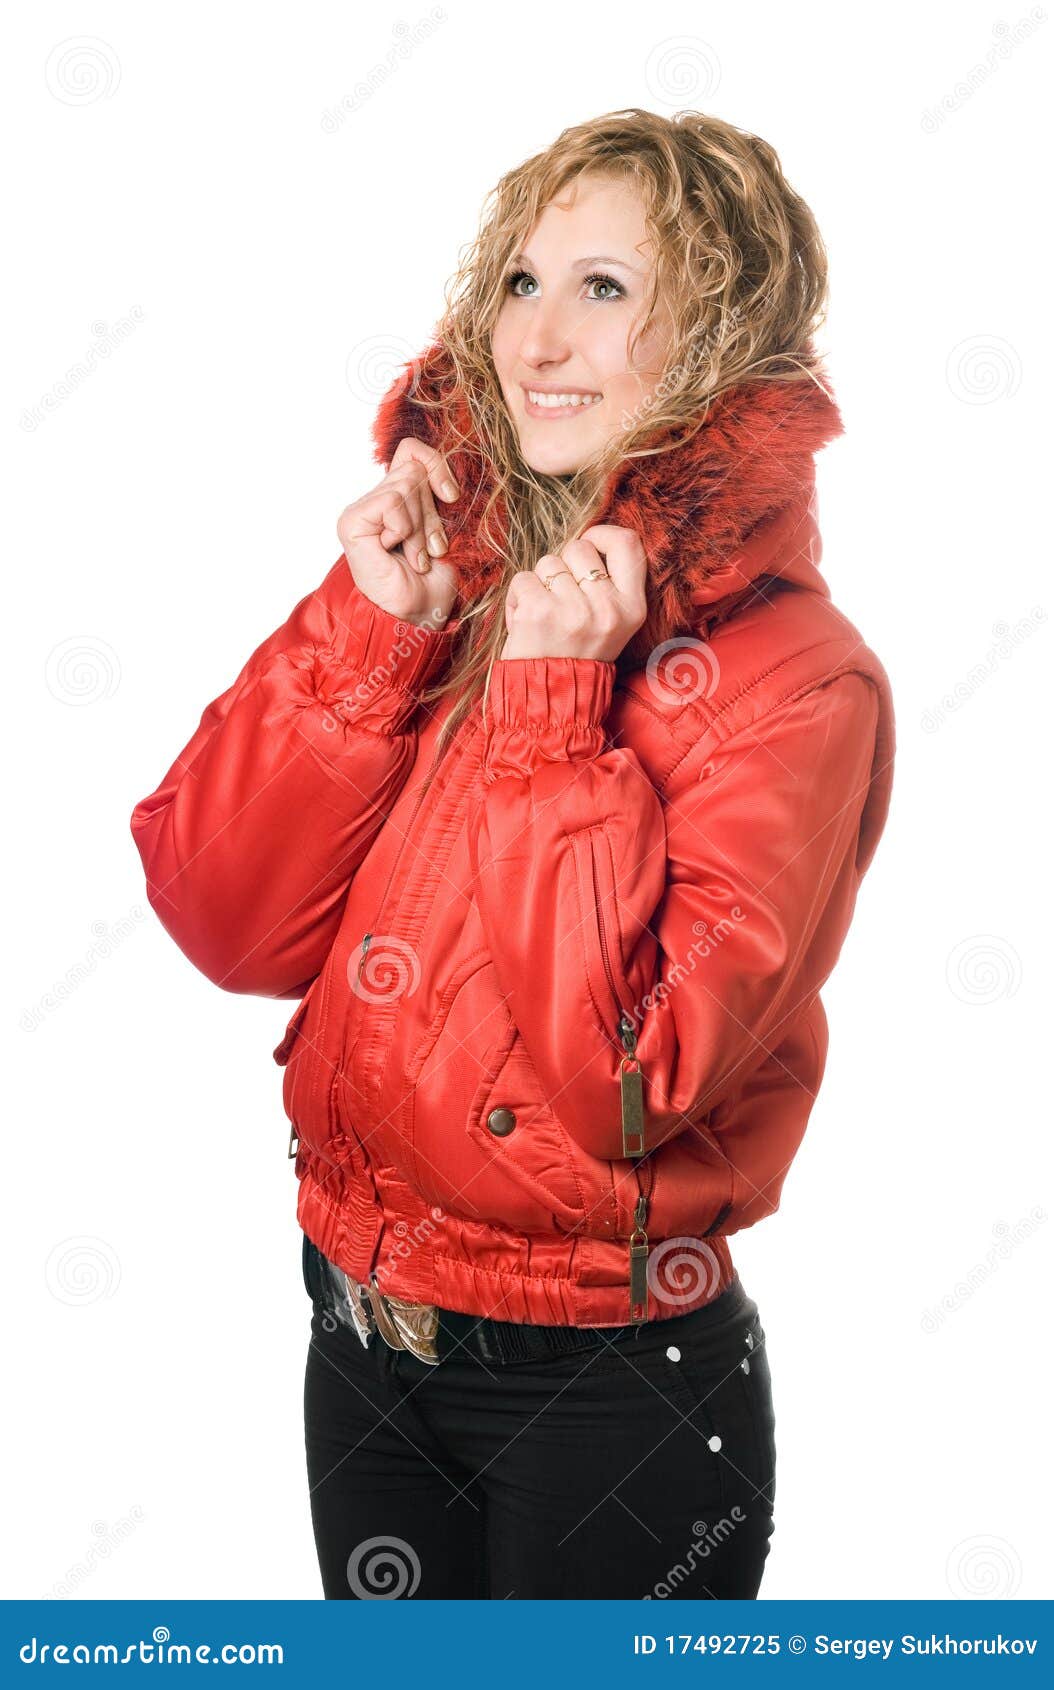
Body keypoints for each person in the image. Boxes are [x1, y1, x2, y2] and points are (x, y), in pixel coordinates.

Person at [129, 107, 895, 1600]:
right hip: (358, 1335)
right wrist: (377, 632)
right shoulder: (453, 574)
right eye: (521, 282)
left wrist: (554, 715)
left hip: (602, 1393)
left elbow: (632, 1077)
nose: (539, 336)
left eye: (606, 289)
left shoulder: (797, 680)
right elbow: (220, 917)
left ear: (722, 333)